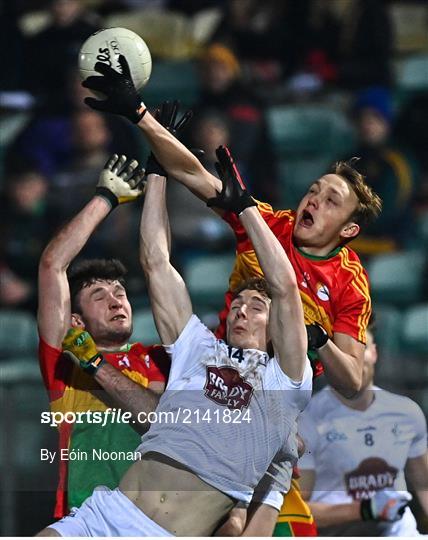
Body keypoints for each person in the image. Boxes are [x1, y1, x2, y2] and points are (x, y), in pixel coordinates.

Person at [80, 56, 382, 535]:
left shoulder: (351, 283)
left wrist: (318, 338)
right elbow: (196, 176)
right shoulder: (270, 224)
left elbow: (352, 383)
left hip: (277, 396)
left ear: (348, 228)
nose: (313, 201)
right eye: (313, 190)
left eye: (330, 201)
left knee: (245, 521)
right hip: (222, 372)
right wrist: (141, 116)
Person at [37, 144, 312, 536]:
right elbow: (156, 262)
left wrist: (245, 208)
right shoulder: (197, 351)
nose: (240, 310)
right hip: (101, 516)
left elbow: (285, 287)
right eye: (238, 302)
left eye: (256, 306)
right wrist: (157, 172)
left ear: (279, 330)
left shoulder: (284, 383)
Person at [37, 153, 167, 518]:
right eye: (100, 295)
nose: (116, 301)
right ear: (76, 320)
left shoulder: (154, 357)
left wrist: (96, 364)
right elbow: (52, 265)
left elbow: (155, 419)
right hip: (82, 520)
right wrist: (105, 199)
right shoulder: (63, 364)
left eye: (120, 292)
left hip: (148, 521)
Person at [298, 322, 428, 536]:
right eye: (345, 352)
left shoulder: (406, 412)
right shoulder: (307, 418)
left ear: (374, 353)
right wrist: (364, 510)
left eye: (362, 348)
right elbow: (299, 510)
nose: (354, 359)